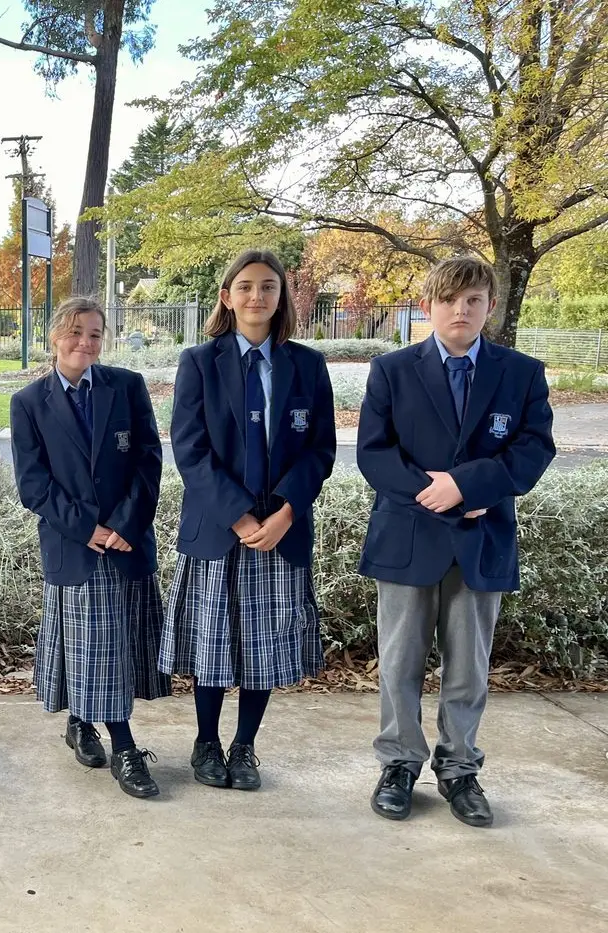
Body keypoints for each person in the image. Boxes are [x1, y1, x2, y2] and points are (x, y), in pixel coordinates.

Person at [360, 256, 555, 827]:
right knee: (399, 662)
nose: (461, 310)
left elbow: (533, 448)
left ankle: (460, 768)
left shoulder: (521, 373)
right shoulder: (391, 370)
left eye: (473, 300)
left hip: (481, 536)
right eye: (449, 300)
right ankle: (399, 763)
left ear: (490, 306)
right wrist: (436, 493)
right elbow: (374, 452)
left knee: (468, 666)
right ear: (428, 307)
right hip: (408, 535)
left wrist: (469, 486)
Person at [161, 249, 337, 791]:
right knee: (213, 645)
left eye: (268, 286)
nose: (256, 296)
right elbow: (190, 449)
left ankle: (244, 746)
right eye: (245, 286)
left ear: (282, 297)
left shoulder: (307, 365)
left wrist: (287, 511)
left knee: (263, 645)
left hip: (280, 532)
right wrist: (237, 516)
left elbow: (320, 450)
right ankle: (206, 742)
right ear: (227, 296)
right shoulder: (199, 362)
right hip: (220, 530)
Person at [9, 296, 170, 799]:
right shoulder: (29, 402)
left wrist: (125, 523)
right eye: (75, 332)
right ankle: (125, 748)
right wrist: (87, 528)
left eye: (95, 333)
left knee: (111, 646)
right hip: (76, 546)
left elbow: (148, 460)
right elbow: (33, 484)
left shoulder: (127, 386)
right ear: (55, 336)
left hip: (127, 541)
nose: (85, 342)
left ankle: (80, 721)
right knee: (98, 644)